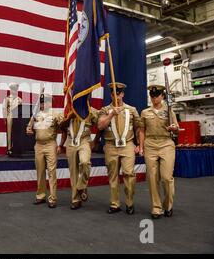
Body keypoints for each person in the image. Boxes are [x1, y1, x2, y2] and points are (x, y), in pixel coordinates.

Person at [97, 82, 141, 214]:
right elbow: (100, 126)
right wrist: (111, 114)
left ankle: (129, 202)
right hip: (111, 146)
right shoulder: (105, 110)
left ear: (122, 94)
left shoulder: (131, 110)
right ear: (111, 95)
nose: (116, 96)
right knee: (113, 176)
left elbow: (139, 128)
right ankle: (115, 203)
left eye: (119, 93)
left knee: (129, 174)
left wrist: (139, 144)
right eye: (113, 94)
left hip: (127, 145)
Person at [139, 85, 179, 219]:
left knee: (167, 178)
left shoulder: (169, 110)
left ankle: (168, 205)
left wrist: (174, 128)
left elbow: (176, 128)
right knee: (152, 178)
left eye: (157, 96)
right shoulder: (145, 112)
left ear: (162, 96)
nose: (155, 98)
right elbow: (142, 130)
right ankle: (156, 208)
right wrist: (141, 146)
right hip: (150, 144)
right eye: (152, 96)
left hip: (166, 143)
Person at [26, 93, 63, 208]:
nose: (42, 104)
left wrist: (60, 144)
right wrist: (28, 130)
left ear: (49, 103)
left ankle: (52, 198)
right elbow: (29, 129)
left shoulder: (55, 115)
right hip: (38, 145)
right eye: (41, 102)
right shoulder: (35, 115)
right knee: (40, 171)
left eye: (45, 102)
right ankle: (40, 195)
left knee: (51, 171)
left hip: (50, 144)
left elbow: (63, 127)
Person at [59, 108, 99, 210]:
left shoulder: (91, 110)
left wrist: (95, 140)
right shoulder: (67, 109)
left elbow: (100, 125)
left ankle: (82, 186)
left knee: (85, 162)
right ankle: (75, 199)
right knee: (74, 172)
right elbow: (61, 126)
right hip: (71, 141)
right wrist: (69, 117)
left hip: (84, 140)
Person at [2, 83, 22, 155]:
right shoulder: (7, 99)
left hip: (17, 117)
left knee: (17, 132)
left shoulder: (19, 99)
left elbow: (22, 109)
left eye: (15, 90)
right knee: (9, 133)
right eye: (12, 89)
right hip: (10, 116)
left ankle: (16, 148)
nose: (13, 91)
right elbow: (4, 109)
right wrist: (4, 118)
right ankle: (9, 148)